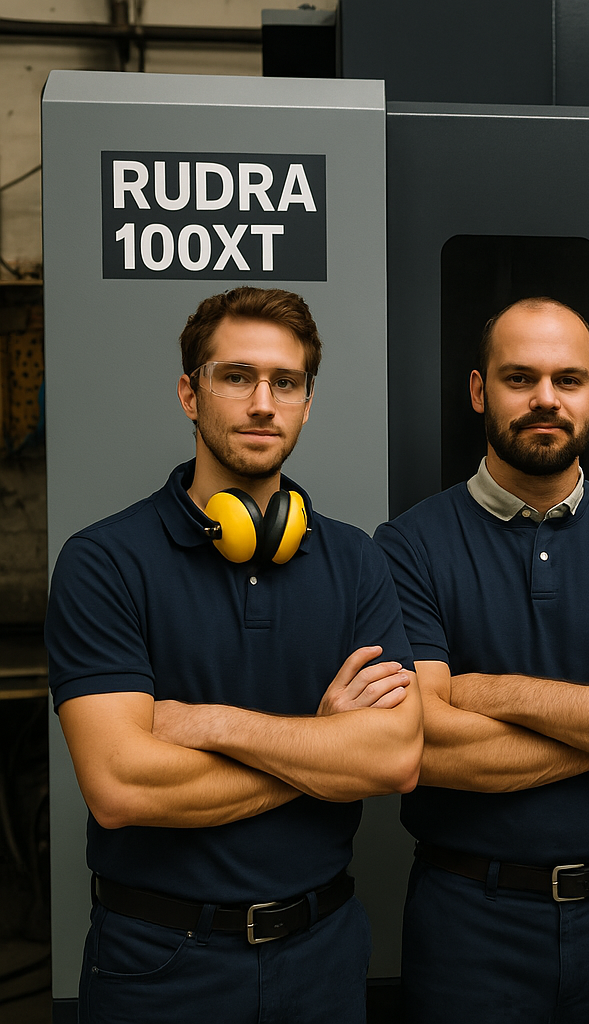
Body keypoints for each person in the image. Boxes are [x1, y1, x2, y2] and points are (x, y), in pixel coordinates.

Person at [46, 287, 423, 1024]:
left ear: (307, 402)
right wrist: (323, 751)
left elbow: (396, 759)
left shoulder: (355, 561)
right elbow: (122, 787)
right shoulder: (103, 562)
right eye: (236, 376)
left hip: (321, 955)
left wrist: (212, 723)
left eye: (286, 383)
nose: (263, 403)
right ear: (191, 393)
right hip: (159, 963)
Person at [374, 296, 589, 1024]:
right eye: (519, 378)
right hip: (471, 923)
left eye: (567, 380)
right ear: (479, 391)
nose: (545, 400)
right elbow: (422, 744)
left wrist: (488, 692)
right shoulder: (407, 547)